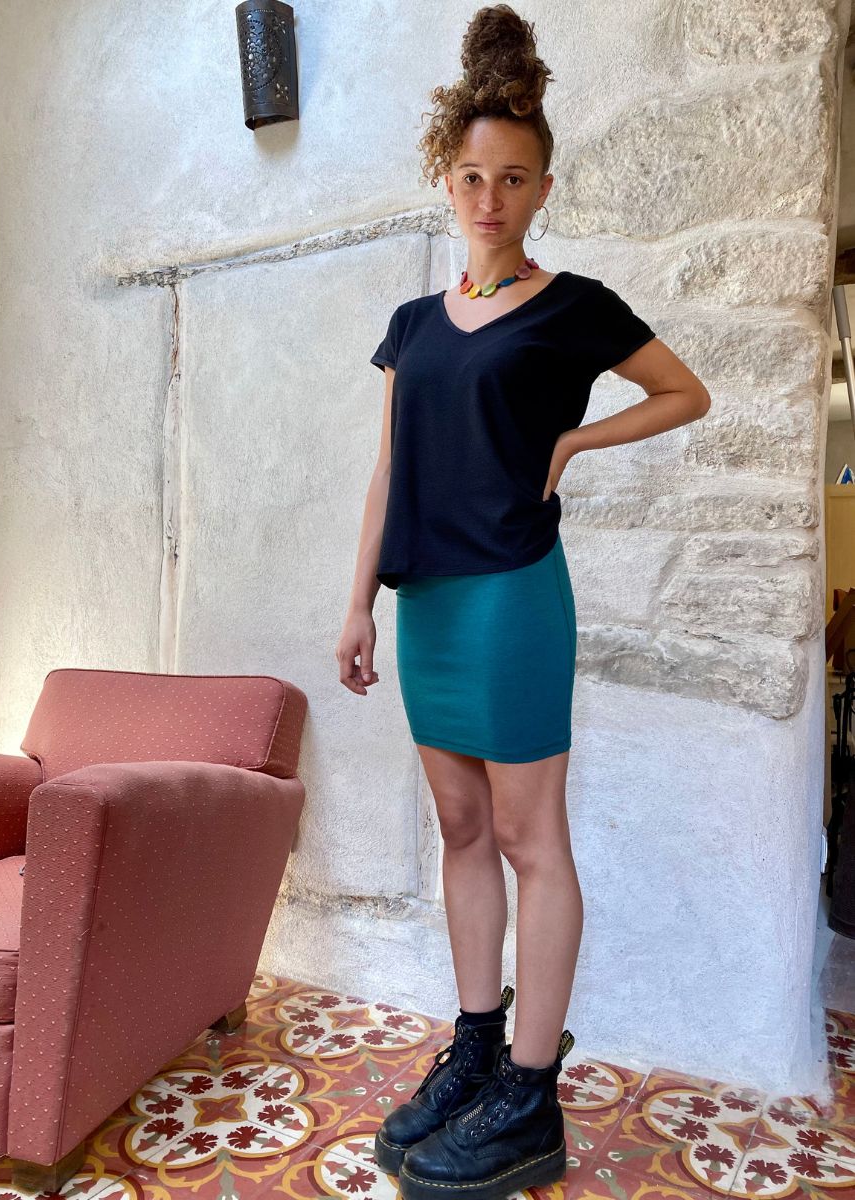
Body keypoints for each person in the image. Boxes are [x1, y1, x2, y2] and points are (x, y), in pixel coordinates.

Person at [335, 6, 710, 1199]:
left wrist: (577, 441)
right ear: (446, 181)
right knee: (460, 830)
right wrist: (359, 603)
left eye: (512, 178)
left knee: (526, 837)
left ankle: (532, 1095)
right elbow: (389, 469)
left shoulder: (572, 305)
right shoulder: (411, 326)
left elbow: (684, 393)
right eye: (471, 177)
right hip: (431, 605)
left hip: (511, 595)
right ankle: (476, 1052)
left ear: (541, 187)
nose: (489, 197)